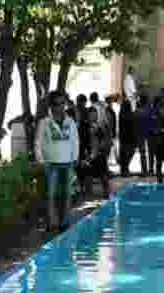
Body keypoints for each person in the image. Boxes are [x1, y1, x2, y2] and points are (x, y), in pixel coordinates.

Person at [36, 92, 79, 232]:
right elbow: (38, 142)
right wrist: (41, 160)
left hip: (67, 162)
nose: (60, 107)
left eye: (62, 103)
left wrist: (75, 158)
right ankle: (51, 223)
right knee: (51, 194)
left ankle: (64, 222)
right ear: (51, 105)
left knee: (66, 194)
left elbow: (75, 141)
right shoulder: (44, 122)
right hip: (51, 163)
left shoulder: (70, 122)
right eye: (56, 104)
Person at [81, 108, 112, 197]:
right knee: (88, 174)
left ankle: (106, 191)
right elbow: (82, 140)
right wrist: (85, 153)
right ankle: (87, 191)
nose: (94, 117)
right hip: (88, 153)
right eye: (92, 115)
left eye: (95, 115)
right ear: (88, 116)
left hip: (99, 153)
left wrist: (102, 146)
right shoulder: (83, 126)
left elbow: (104, 138)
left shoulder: (99, 126)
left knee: (103, 174)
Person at [118, 98, 137, 176]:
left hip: (123, 137)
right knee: (129, 153)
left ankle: (124, 169)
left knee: (124, 154)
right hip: (130, 137)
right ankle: (125, 169)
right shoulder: (130, 114)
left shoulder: (121, 114)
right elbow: (133, 126)